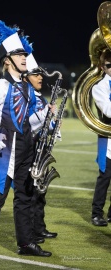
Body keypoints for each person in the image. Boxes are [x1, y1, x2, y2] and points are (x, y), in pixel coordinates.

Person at [0, 14, 52, 264]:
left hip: (27, 152)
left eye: (24, 55)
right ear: (7, 61)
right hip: (6, 152)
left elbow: (28, 122)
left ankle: (26, 243)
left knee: (25, 200)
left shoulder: (29, 88)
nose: (24, 59)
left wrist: (47, 117)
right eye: (19, 56)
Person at [23, 54, 60, 240]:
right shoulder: (26, 98)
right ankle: (30, 232)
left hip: (42, 148)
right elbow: (28, 123)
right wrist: (47, 112)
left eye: (40, 74)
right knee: (30, 193)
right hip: (30, 148)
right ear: (25, 77)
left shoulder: (42, 99)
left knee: (41, 191)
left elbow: (47, 123)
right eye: (35, 74)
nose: (41, 77)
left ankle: (40, 227)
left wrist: (55, 126)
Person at [91, 48, 111, 226]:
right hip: (108, 139)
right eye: (109, 65)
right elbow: (108, 110)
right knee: (105, 177)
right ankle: (97, 213)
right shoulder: (99, 87)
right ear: (102, 67)